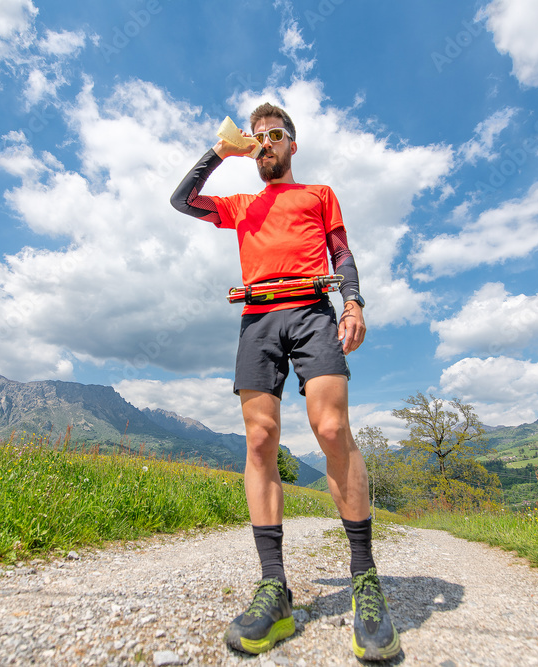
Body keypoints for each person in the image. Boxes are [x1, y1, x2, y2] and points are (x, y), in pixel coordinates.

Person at [170, 102, 400, 660]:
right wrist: (219, 152)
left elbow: (341, 253)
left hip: (312, 312)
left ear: (293, 144)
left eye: (275, 135)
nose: (266, 142)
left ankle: (365, 579)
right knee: (259, 438)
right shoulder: (241, 204)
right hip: (257, 318)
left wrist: (353, 303)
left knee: (329, 427)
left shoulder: (318, 195)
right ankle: (275, 588)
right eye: (258, 137)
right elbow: (183, 200)